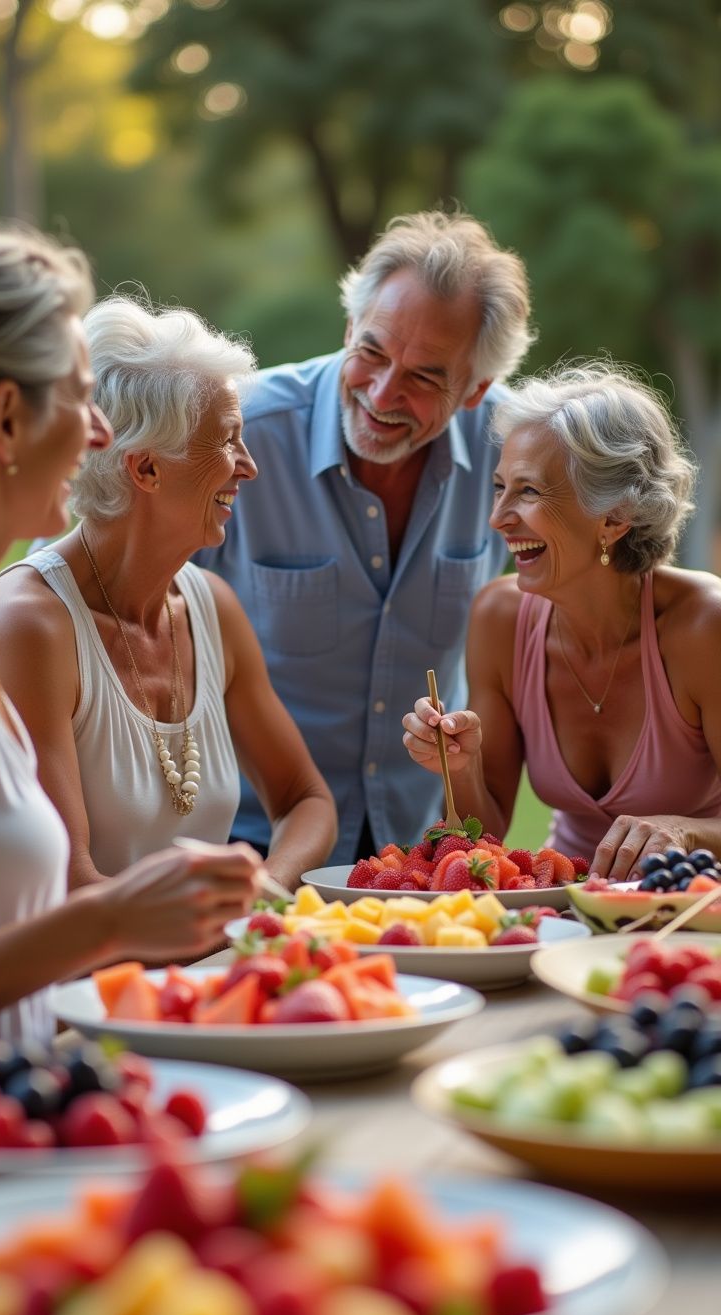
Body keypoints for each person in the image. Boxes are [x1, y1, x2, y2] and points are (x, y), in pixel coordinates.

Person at [0, 221, 262, 1053]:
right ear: (4, 420)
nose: (100, 434)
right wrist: (107, 922)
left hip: (18, 1106)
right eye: (77, 396)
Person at [193, 208, 534, 865]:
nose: (382, 393)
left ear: (476, 389)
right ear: (349, 328)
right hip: (247, 843)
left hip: (412, 856)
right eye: (371, 353)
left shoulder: (511, 453)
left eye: (424, 378)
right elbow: (89, 580)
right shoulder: (240, 431)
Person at [0, 295, 336, 894]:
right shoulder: (30, 624)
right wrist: (217, 924)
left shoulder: (212, 606)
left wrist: (263, 893)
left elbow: (306, 799)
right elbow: (68, 881)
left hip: (211, 947)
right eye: (228, 440)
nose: (248, 466)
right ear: (146, 469)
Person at [402, 361, 721, 880]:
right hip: (565, 904)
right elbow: (484, 839)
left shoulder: (706, 625)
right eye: (500, 487)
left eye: (529, 491)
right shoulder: (499, 618)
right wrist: (459, 767)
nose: (498, 518)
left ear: (614, 517)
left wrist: (683, 832)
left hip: (694, 907)